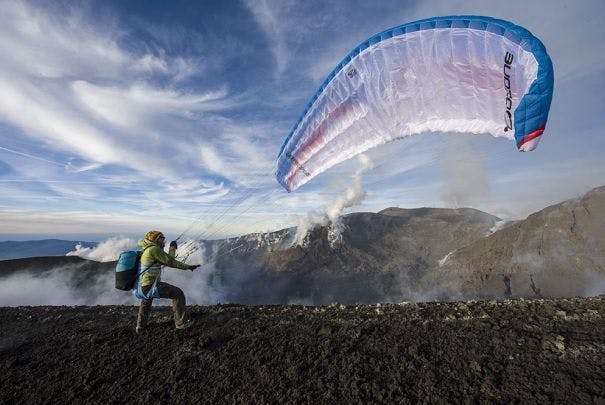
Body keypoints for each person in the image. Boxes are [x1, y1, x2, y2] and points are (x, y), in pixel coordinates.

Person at [135, 230, 200, 333]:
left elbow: (168, 259)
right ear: (156, 239)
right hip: (151, 285)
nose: (163, 240)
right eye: (162, 238)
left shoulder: (148, 249)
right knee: (178, 294)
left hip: (144, 285)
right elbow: (171, 262)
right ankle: (181, 324)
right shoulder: (154, 249)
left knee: (146, 301)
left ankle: (140, 327)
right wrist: (188, 267)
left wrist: (172, 248)